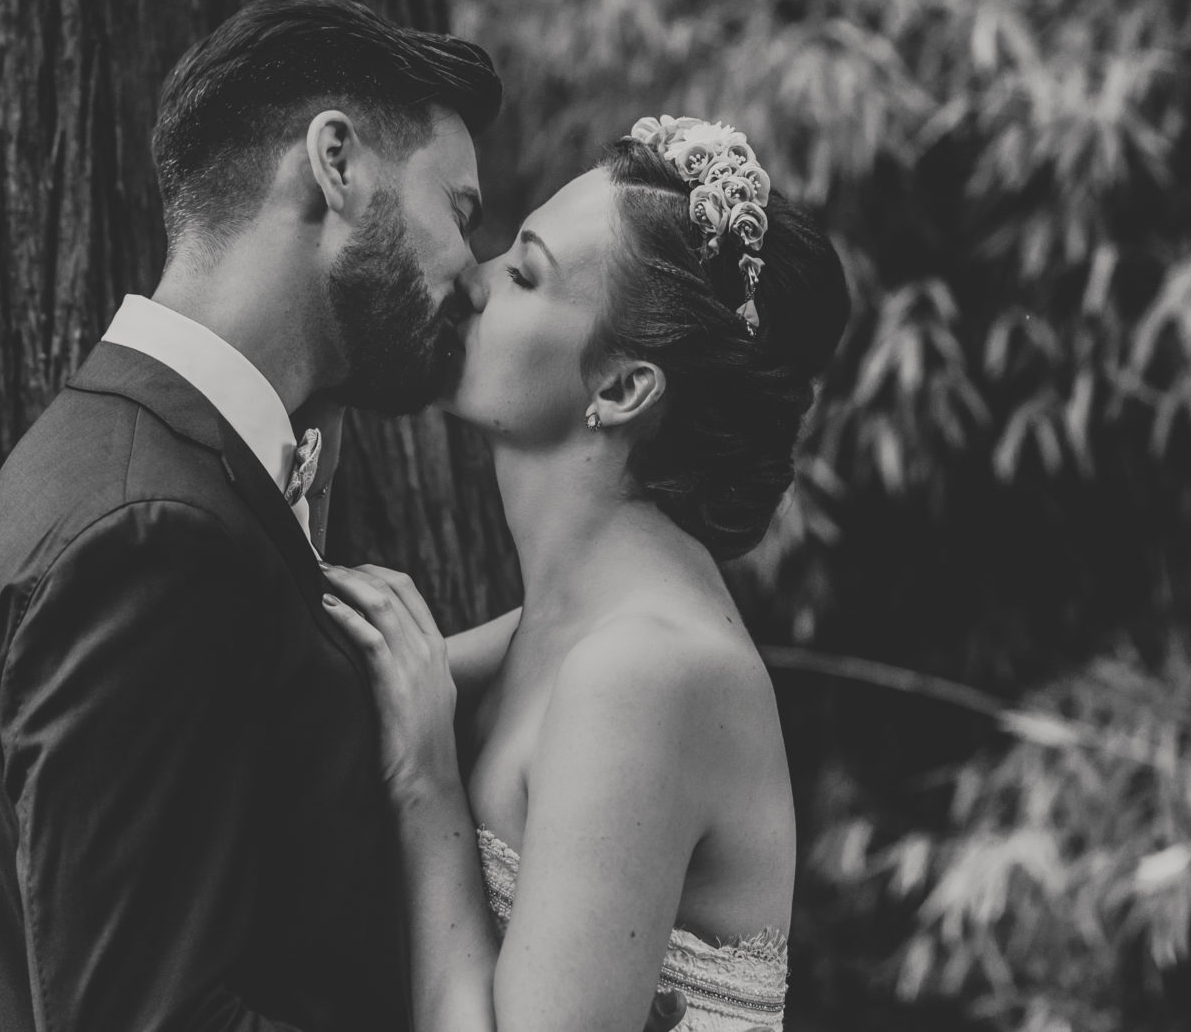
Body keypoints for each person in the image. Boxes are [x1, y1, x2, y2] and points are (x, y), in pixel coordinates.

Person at [0, 0, 689, 1032]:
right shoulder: (144, 535)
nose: (468, 284)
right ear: (335, 164)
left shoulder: (152, 471)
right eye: (458, 214)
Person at [321, 115, 851, 1032]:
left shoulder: (646, 675)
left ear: (619, 388)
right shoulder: (553, 634)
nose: (470, 282)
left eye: (523, 274)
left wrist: (428, 789)